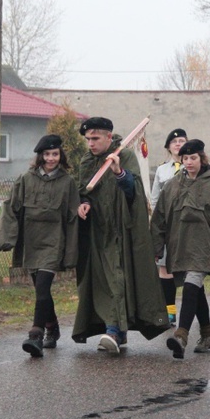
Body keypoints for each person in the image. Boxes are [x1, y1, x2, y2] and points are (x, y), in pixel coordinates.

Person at [72, 117, 169, 353]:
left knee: (118, 279)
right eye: (88, 139)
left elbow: (134, 191)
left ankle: (114, 330)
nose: (91, 144)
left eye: (95, 139)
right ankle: (116, 329)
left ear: (108, 136)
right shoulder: (87, 161)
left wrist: (119, 173)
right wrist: (83, 203)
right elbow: (83, 190)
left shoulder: (124, 156)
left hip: (122, 231)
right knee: (102, 282)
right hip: (97, 232)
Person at [151, 139, 210, 359]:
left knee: (191, 286)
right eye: (185, 158)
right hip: (179, 247)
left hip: (204, 247)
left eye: (193, 158)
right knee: (196, 290)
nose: (189, 162)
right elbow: (159, 220)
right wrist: (156, 247)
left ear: (202, 159)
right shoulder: (172, 186)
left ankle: (181, 335)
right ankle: (207, 333)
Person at [0, 134, 79, 358]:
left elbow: (72, 218)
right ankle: (52, 327)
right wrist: (5, 238)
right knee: (41, 290)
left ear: (61, 156)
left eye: (55, 154)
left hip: (54, 242)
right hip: (31, 241)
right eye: (47, 154)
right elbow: (11, 208)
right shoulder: (26, 179)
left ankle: (36, 335)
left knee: (42, 287)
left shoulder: (67, 182)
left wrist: (71, 252)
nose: (51, 158)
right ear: (40, 156)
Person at [150, 128, 188, 326]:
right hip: (167, 226)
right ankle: (170, 312)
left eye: (182, 140)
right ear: (168, 147)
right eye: (175, 142)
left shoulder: (192, 166)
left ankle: (195, 311)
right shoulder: (162, 170)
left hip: (187, 226)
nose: (178, 144)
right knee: (165, 270)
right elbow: (155, 199)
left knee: (191, 271)